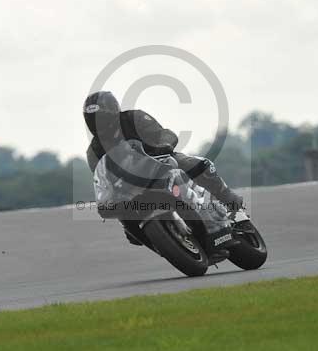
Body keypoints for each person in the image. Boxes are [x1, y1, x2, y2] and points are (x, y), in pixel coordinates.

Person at [83, 91, 248, 242]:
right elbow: (103, 177)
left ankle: (233, 206)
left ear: (113, 112)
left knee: (199, 166)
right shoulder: (94, 152)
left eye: (101, 118)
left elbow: (163, 133)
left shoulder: (133, 119)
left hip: (159, 161)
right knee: (127, 225)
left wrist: (164, 144)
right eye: (91, 119)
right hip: (131, 186)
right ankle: (162, 238)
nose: (97, 123)